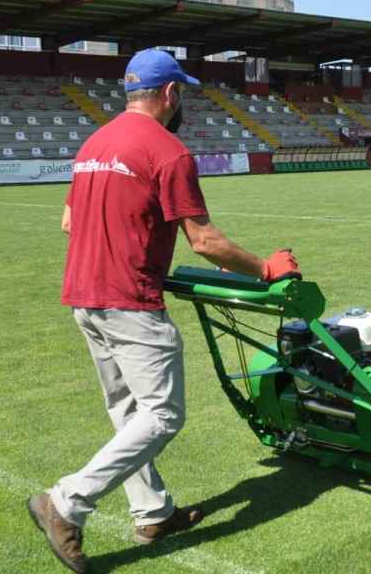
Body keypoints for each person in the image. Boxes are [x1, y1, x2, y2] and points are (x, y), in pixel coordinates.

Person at [27, 49, 299, 574]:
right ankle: (65, 503)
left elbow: (68, 221)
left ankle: (153, 514)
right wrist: (265, 268)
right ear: (171, 94)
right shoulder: (168, 151)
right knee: (163, 415)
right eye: (184, 94)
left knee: (129, 413)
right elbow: (204, 241)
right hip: (129, 301)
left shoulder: (93, 144)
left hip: (84, 297)